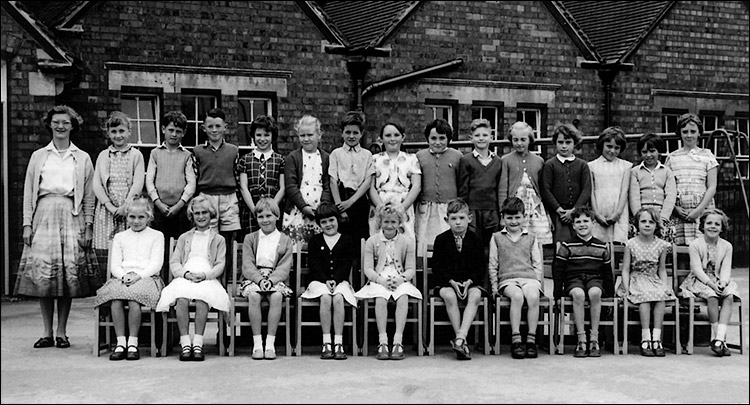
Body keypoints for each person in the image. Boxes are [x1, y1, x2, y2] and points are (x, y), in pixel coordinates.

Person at [15, 105, 101, 349]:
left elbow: (88, 197)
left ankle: (62, 332)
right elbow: (29, 192)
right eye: (56, 122)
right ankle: (46, 332)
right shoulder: (39, 156)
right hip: (43, 215)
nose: (61, 126)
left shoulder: (82, 158)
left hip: (70, 216)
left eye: (65, 122)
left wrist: (88, 225)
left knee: (65, 278)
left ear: (73, 125)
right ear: (49, 124)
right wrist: (27, 224)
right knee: (45, 277)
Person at [155, 194, 231, 362]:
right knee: (181, 298)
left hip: (207, 277)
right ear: (191, 215)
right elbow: (174, 262)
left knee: (202, 298)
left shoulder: (218, 240)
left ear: (211, 214)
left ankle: (198, 343)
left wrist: (205, 275)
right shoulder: (184, 238)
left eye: (205, 212)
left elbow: (220, 264)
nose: (201, 216)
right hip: (187, 275)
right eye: (197, 213)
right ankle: (185, 343)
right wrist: (185, 274)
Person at [94, 196, 165, 361]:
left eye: (141, 217)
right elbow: (115, 266)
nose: (136, 221)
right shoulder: (120, 237)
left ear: (149, 217)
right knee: (116, 299)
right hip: (122, 277)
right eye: (132, 217)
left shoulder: (157, 236)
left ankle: (133, 342)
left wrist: (138, 276)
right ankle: (120, 343)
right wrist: (124, 276)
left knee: (134, 300)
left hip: (147, 278)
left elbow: (156, 264)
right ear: (126, 217)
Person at [355, 204, 422, 360]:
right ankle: (383, 341)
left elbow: (411, 268)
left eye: (393, 222)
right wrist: (381, 281)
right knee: (381, 297)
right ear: (380, 223)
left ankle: (398, 341)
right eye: (386, 222)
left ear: (399, 223)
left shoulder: (407, 242)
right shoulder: (372, 242)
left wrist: (401, 279)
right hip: (380, 278)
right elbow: (368, 269)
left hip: (399, 278)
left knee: (403, 296)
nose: (390, 225)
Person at [553, 207, 613, 358]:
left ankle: (594, 338)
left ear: (593, 223)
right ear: (573, 225)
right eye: (578, 222)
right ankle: (581, 340)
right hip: (574, 280)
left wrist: (610, 295)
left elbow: (607, 273)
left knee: (594, 293)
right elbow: (558, 272)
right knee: (578, 294)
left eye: (586, 221)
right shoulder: (566, 246)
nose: (582, 224)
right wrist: (557, 295)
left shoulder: (601, 246)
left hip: (594, 279)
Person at [300, 203, 358, 360]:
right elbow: (314, 265)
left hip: (340, 281)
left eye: (331, 220)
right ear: (319, 224)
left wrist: (336, 280)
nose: (328, 224)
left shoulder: (346, 240)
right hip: (318, 282)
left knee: (338, 297)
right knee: (326, 297)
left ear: (338, 220)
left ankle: (338, 342)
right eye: (324, 222)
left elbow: (346, 264)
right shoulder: (315, 241)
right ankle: (326, 342)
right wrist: (326, 280)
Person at [92, 111, 145, 282]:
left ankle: (127, 285)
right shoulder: (103, 155)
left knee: (128, 249)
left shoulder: (136, 155)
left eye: (122, 131)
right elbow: (97, 184)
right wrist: (109, 206)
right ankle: (108, 287)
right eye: (114, 132)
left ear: (129, 132)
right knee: (107, 251)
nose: (118, 135)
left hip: (129, 211)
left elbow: (138, 183)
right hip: (107, 211)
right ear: (108, 133)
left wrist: (126, 206)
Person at [489, 197, 544, 359]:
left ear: (524, 217)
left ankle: (531, 340)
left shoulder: (531, 237)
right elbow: (493, 264)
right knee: (517, 296)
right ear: (503, 218)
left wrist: (538, 283)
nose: (513, 221)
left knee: (533, 296)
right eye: (509, 217)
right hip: (508, 279)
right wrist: (494, 287)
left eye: (517, 217)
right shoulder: (497, 237)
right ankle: (516, 339)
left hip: (529, 278)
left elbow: (537, 263)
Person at [431, 198, 486, 360]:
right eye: (453, 219)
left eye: (462, 218)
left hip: (471, 283)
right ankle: (461, 341)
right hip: (448, 282)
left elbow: (480, 266)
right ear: (446, 220)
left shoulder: (475, 239)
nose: (458, 223)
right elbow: (437, 268)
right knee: (449, 296)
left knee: (475, 296)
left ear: (469, 218)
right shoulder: (441, 240)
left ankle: (460, 338)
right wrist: (451, 282)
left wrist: (470, 281)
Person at [679, 208, 738, 357]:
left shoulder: (727, 246)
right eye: (709, 223)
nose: (713, 226)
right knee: (712, 296)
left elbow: (725, 268)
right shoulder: (695, 244)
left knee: (728, 295)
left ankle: (718, 339)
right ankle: (718, 338)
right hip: (700, 280)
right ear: (703, 225)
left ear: (722, 227)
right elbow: (697, 269)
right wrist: (711, 285)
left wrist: (723, 283)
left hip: (718, 280)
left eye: (717, 224)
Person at [616, 207, 675, 357]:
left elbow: (661, 269)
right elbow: (626, 269)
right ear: (637, 224)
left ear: (656, 225)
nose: (647, 225)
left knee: (661, 297)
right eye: (643, 221)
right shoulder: (631, 244)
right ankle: (645, 338)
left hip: (653, 279)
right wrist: (626, 286)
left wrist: (665, 285)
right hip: (636, 279)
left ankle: (656, 338)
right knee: (646, 299)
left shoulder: (662, 245)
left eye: (651, 222)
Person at [241, 198, 294, 360]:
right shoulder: (250, 238)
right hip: (254, 278)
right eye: (261, 216)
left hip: (275, 278)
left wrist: (271, 280)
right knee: (254, 296)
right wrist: (259, 279)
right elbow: (247, 264)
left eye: (269, 216)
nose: (265, 220)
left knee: (277, 296)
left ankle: (270, 343)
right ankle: (257, 343)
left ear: (277, 216)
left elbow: (285, 266)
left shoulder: (284, 240)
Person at [145, 111, 196, 278]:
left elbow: (191, 183)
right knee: (161, 247)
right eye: (171, 130)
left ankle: (178, 281)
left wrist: (180, 204)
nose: (174, 134)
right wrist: (158, 202)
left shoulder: (187, 155)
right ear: (163, 129)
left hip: (179, 210)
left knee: (180, 248)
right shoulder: (155, 153)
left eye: (178, 131)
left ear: (183, 133)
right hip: (159, 209)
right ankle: (160, 282)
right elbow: (150, 181)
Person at [192, 107, 241, 281]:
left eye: (218, 126)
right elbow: (195, 176)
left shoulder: (233, 150)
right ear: (204, 128)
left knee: (227, 241)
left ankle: (226, 282)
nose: (214, 130)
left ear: (225, 127)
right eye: (210, 126)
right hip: (206, 196)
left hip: (228, 197)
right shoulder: (197, 151)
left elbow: (237, 176)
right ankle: (209, 279)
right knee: (208, 239)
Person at [665, 113, 718, 246]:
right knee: (680, 249)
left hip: (702, 210)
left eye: (693, 131)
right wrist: (675, 208)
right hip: (679, 212)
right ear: (680, 133)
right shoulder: (672, 158)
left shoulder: (707, 156)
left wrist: (698, 210)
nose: (689, 135)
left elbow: (712, 187)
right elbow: (667, 188)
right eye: (685, 132)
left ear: (699, 133)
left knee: (702, 249)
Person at [498, 121, 551, 245]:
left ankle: (538, 262)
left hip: (535, 206)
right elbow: (502, 189)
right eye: (515, 140)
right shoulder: (506, 160)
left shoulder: (539, 160)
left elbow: (543, 189)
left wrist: (547, 213)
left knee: (537, 238)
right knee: (516, 237)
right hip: (514, 205)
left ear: (530, 140)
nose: (519, 143)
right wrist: (502, 213)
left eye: (523, 139)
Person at [415, 119, 462, 256]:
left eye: (442, 138)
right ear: (427, 138)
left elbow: (460, 181)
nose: (437, 142)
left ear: (448, 139)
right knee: (425, 239)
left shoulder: (457, 156)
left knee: (448, 241)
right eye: (433, 138)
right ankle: (425, 268)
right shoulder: (420, 156)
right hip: (426, 207)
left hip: (448, 207)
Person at [282, 115, 332, 243]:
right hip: (297, 211)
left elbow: (328, 185)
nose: (306, 139)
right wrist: (303, 207)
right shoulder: (292, 158)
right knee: (296, 251)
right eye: (302, 135)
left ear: (319, 135)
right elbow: (291, 186)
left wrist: (323, 207)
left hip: (318, 212)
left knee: (317, 249)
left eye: (310, 135)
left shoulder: (326, 158)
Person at [368, 122, 422, 241]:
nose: (392, 139)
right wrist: (380, 207)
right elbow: (370, 187)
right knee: (379, 240)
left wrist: (403, 207)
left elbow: (416, 186)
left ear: (403, 137)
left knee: (405, 240)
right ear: (381, 138)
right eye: (388, 135)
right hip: (380, 203)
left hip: (403, 204)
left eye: (396, 135)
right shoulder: (374, 159)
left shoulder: (411, 159)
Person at [541, 123, 592, 244]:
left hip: (578, 214)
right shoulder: (550, 164)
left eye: (568, 142)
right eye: (560, 142)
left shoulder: (582, 165)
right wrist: (559, 210)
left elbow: (586, 189)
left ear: (575, 143)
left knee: (578, 243)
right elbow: (545, 189)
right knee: (560, 245)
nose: (564, 146)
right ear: (555, 143)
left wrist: (574, 211)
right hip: (558, 214)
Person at [328, 111, 373, 248]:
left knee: (360, 240)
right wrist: (340, 206)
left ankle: (360, 268)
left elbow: (368, 180)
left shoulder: (367, 155)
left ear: (361, 133)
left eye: (355, 132)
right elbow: (332, 180)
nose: (351, 136)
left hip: (359, 200)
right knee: (342, 241)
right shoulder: (336, 154)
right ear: (342, 133)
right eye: (348, 132)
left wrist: (352, 201)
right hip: (341, 200)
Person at [458, 118, 502, 254]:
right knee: (472, 246)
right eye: (477, 136)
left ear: (491, 137)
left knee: (491, 247)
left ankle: (489, 275)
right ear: (471, 138)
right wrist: (464, 210)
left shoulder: (498, 161)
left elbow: (500, 187)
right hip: (473, 211)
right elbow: (463, 188)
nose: (481, 139)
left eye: (485, 135)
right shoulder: (466, 160)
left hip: (491, 211)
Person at [237, 115, 285, 236]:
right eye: (258, 135)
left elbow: (283, 187)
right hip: (251, 211)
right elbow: (243, 187)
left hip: (273, 211)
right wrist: (255, 209)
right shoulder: (245, 159)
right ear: (253, 136)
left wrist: (271, 208)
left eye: (266, 135)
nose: (262, 139)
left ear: (272, 136)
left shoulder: (280, 160)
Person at [628, 133, 677, 242]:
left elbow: (670, 196)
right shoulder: (635, 172)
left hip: (661, 214)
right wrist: (640, 217)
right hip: (641, 216)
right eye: (644, 152)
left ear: (659, 151)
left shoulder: (667, 171)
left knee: (664, 247)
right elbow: (634, 197)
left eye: (652, 151)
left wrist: (663, 217)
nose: (648, 155)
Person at [588, 126, 632, 243]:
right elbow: (591, 192)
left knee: (617, 247)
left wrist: (617, 214)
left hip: (618, 214)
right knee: (599, 246)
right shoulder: (592, 166)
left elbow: (624, 191)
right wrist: (596, 214)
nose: (612, 151)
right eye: (609, 146)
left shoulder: (625, 166)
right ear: (602, 145)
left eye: (616, 148)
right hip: (599, 211)